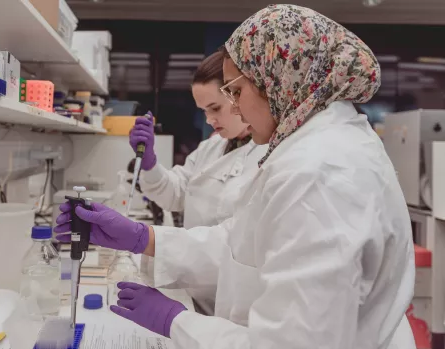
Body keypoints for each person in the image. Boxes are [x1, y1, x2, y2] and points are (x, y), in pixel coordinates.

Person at [56, 5, 415, 349]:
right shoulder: (310, 146)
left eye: (236, 92)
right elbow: (242, 245)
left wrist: (176, 321)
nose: (236, 107)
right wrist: (143, 237)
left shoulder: (319, 175)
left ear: (277, 79)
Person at [128, 52, 268, 315]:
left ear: (238, 95)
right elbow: (178, 192)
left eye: (215, 108)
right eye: (204, 111)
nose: (208, 120)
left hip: (231, 300)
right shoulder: (213, 145)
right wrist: (149, 163)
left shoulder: (268, 155)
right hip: (195, 287)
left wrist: (147, 239)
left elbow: (235, 240)